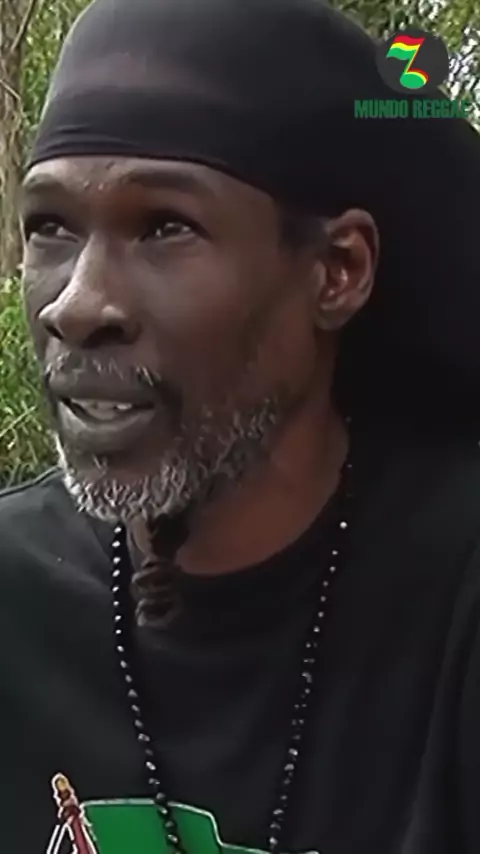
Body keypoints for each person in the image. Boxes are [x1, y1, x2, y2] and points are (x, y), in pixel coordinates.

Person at [1, 0, 480, 851]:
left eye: (165, 227)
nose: (76, 305)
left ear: (337, 272)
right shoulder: (16, 595)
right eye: (51, 227)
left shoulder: (453, 601)